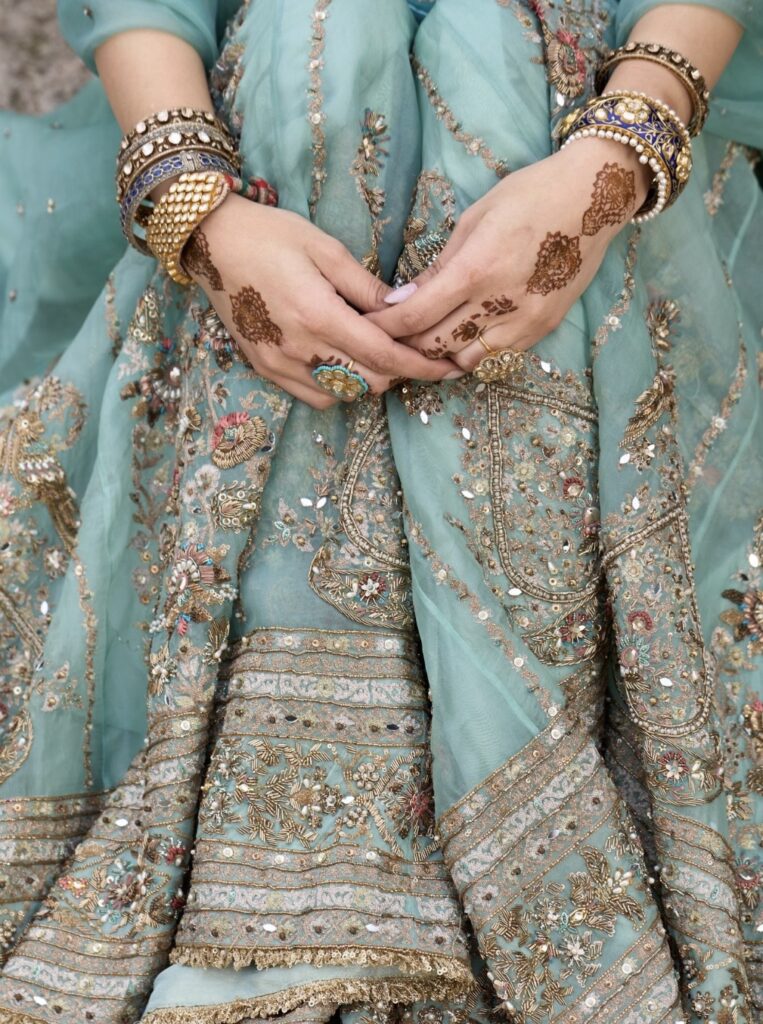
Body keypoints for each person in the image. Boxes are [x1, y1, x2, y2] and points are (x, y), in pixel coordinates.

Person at [0, 0, 761, 1021]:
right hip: (235, 138)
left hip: (607, 124)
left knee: (486, 54)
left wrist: (614, 160)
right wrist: (200, 211)